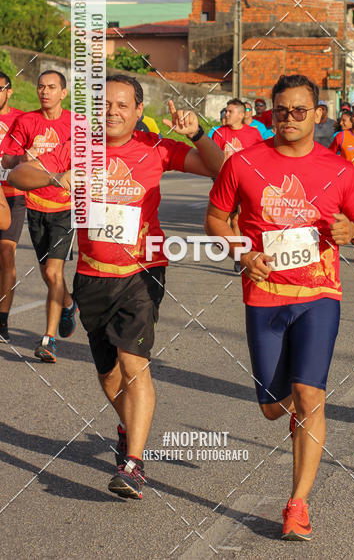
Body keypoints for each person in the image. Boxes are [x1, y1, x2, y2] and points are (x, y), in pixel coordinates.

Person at [8, 74, 224, 499]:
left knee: (133, 364)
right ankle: (128, 426)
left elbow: (221, 169)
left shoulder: (156, 147)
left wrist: (198, 132)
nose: (112, 111)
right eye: (104, 104)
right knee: (108, 377)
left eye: (122, 105)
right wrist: (57, 178)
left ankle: (133, 465)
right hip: (91, 275)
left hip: (143, 272)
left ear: (139, 111)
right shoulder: (80, 148)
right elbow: (20, 175)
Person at [205, 74, 354, 541]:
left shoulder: (339, 169)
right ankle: (288, 414)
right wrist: (242, 253)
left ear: (318, 115)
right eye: (282, 110)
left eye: (300, 111)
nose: (290, 119)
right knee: (272, 408)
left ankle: (297, 503)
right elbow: (216, 218)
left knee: (309, 396)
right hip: (264, 296)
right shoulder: (243, 164)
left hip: (319, 295)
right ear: (272, 113)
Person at [1, 70, 75, 361]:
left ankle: (48, 339)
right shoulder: (25, 121)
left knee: (55, 272)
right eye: (41, 86)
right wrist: (24, 158)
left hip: (65, 207)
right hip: (34, 205)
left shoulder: (76, 124)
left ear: (63, 93)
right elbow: (6, 159)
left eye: (52, 87)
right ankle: (68, 304)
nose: (45, 91)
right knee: (47, 274)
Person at [0, 70, 25, 342]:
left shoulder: (21, 119)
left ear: (9, 91)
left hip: (13, 193)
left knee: (6, 254)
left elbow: (31, 153)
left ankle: (2, 320)